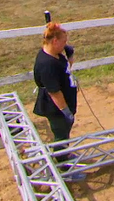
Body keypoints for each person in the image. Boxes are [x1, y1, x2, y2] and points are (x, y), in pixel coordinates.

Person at [32, 23, 80, 167]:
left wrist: (69, 55)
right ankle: (63, 164)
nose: (65, 44)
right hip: (55, 106)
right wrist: (65, 111)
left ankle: (64, 154)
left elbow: (65, 69)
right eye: (63, 42)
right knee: (61, 133)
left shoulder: (56, 55)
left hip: (64, 101)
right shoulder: (47, 64)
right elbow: (54, 92)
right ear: (54, 41)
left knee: (64, 131)